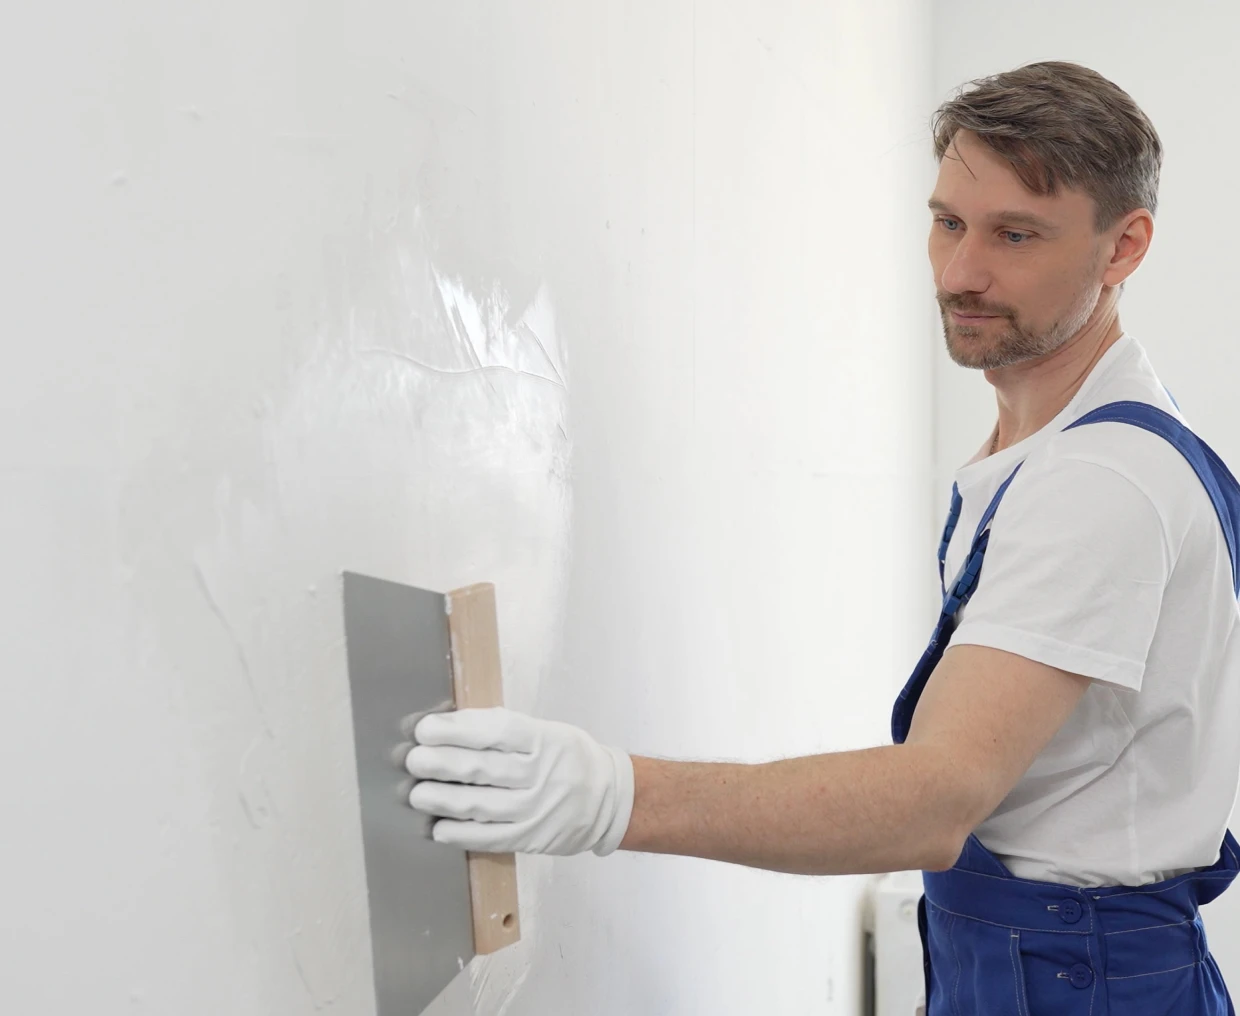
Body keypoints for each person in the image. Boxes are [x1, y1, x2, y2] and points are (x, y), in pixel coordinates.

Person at [403, 61, 1240, 1014]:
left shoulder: (1100, 477)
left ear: (1123, 246)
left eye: (1017, 235)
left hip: (1078, 979)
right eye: (948, 222)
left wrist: (610, 795)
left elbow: (936, 800)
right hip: (1031, 959)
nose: (962, 273)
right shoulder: (1056, 442)